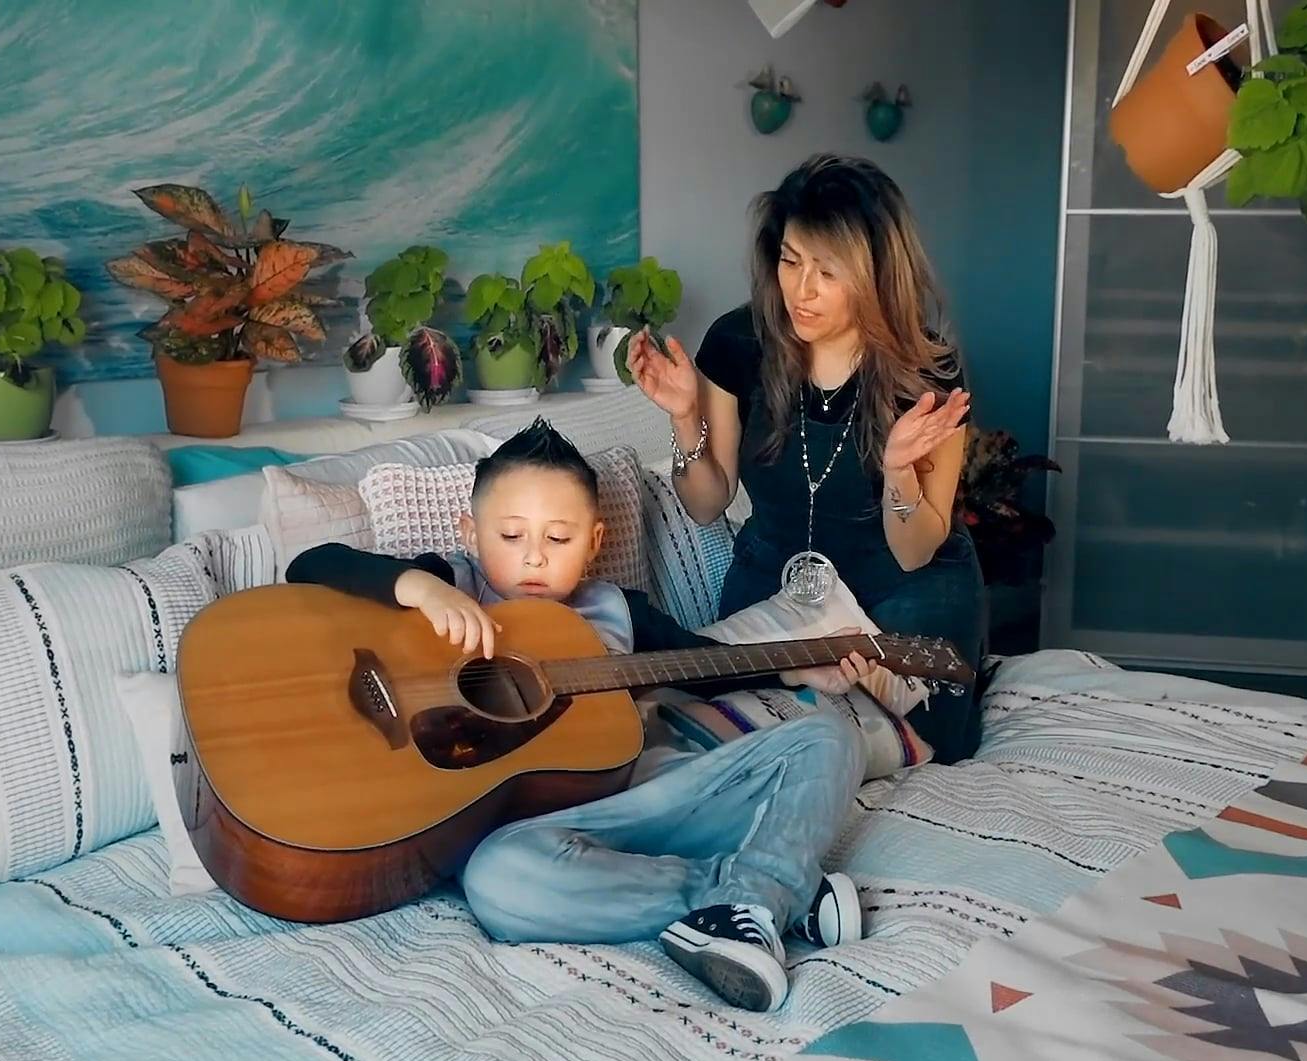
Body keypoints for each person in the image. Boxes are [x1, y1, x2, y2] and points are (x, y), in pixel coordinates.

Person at [286, 418, 878, 1012]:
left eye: (559, 540)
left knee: (828, 734)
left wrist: (794, 671)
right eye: (511, 536)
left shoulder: (617, 611)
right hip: (517, 834)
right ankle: (768, 897)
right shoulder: (452, 583)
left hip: (640, 803)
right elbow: (312, 564)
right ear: (470, 532)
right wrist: (418, 586)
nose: (534, 558)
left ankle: (753, 904)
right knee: (497, 886)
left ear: (594, 543)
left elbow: (707, 665)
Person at [628, 152, 987, 764]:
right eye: (791, 262)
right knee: (704, 720)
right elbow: (707, 502)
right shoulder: (738, 342)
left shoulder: (924, 371)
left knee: (919, 734)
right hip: (778, 583)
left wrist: (899, 468)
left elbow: (915, 547)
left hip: (902, 589)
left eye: (828, 271)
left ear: (875, 274)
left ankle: (875, 709)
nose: (802, 290)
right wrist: (685, 415)